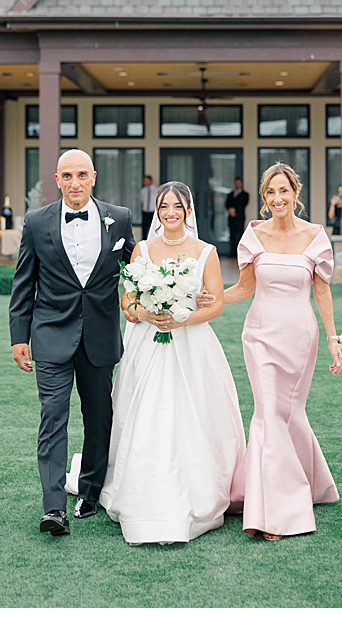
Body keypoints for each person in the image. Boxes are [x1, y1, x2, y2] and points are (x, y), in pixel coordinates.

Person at [98, 181, 246, 545]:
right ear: (157, 211)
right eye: (164, 206)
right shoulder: (143, 250)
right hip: (147, 343)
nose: (170, 212)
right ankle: (139, 485)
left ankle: (199, 487)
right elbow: (127, 301)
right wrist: (147, 314)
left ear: (189, 211)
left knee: (192, 412)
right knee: (146, 411)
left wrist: (182, 318)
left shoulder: (206, 252)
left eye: (177, 207)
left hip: (191, 344)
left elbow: (215, 306)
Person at [9, 149, 136, 537]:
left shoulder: (121, 218)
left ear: (93, 177)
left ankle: (91, 492)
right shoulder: (35, 222)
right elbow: (23, 282)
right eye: (67, 176)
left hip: (98, 335)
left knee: (99, 418)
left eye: (82, 175)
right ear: (57, 179)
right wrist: (19, 336)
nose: (75, 183)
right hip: (50, 334)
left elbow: (136, 268)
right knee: (53, 417)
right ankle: (53, 507)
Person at [216, 162, 342, 540]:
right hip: (259, 335)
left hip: (300, 337)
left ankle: (311, 481)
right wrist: (205, 299)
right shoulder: (253, 236)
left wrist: (334, 339)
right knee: (268, 413)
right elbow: (243, 289)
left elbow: (322, 290)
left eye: (283, 191)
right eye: (270, 192)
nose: (276, 199)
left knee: (290, 413)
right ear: (264, 196)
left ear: (295, 193)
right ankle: (276, 513)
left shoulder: (315, 236)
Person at [225, 177, 249, 258]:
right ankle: (232, 252)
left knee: (239, 235)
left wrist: (234, 210)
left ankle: (239, 253)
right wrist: (230, 210)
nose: (237, 184)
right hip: (231, 218)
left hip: (239, 218)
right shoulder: (231, 194)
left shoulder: (245, 195)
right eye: (236, 183)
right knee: (232, 235)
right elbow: (227, 204)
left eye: (239, 183)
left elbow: (242, 204)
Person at [139, 174, 158, 239]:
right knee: (145, 227)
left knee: (154, 227)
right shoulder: (143, 190)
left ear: (150, 181)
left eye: (146, 180)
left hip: (153, 211)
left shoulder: (156, 189)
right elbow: (142, 199)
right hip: (145, 211)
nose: (144, 182)